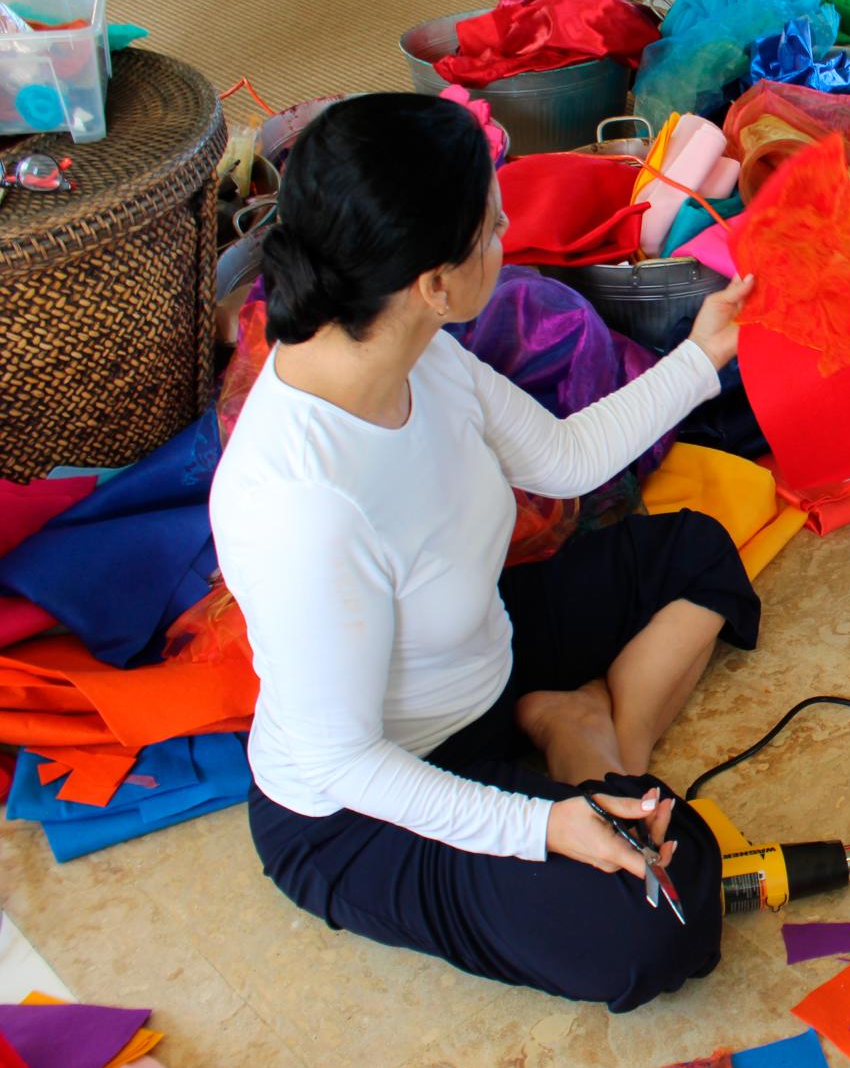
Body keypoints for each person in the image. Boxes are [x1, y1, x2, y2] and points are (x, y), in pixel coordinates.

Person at [209, 94, 761, 1010]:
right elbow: (344, 760)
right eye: (493, 226)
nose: (508, 235)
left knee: (696, 549)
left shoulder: (413, 346)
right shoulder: (300, 502)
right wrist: (543, 825)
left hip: (484, 662)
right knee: (665, 913)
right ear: (433, 281)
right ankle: (591, 755)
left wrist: (703, 356)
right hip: (366, 804)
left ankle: (585, 734)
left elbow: (564, 457)